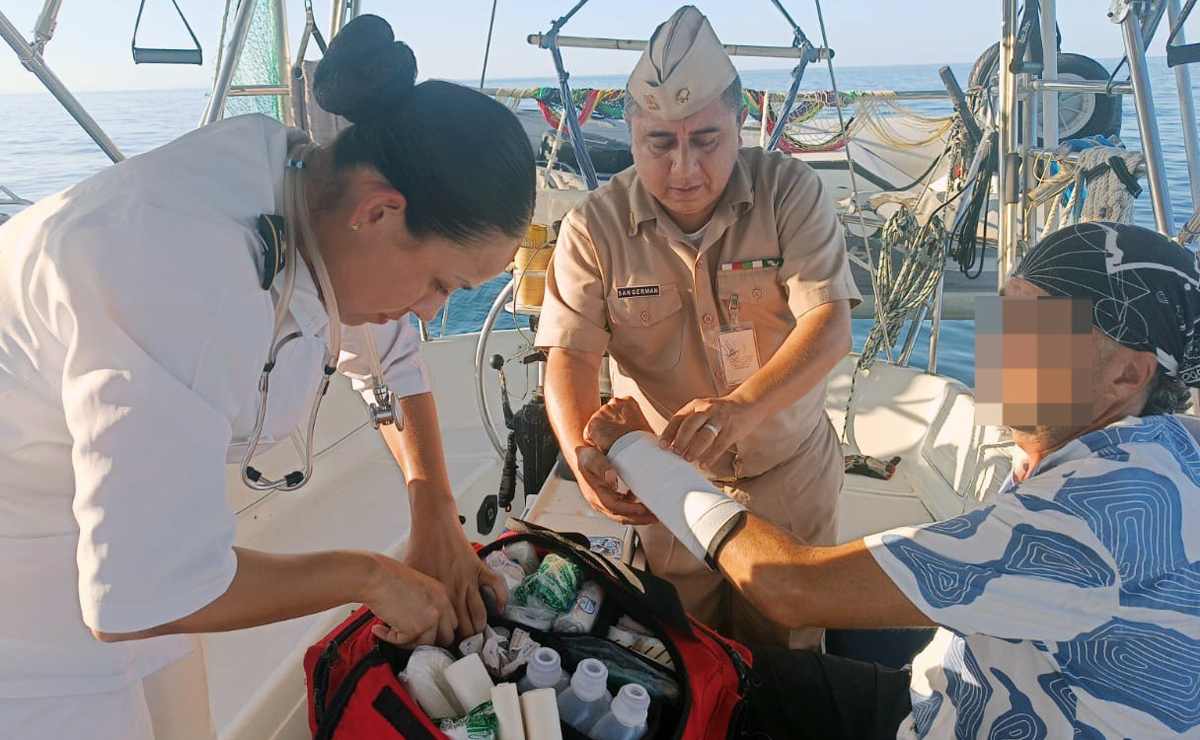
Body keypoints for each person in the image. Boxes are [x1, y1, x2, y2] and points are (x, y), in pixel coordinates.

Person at [0, 15, 534, 740]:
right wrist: (371, 577)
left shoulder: (303, 180)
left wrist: (435, 511)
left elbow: (393, 360)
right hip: (28, 584)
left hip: (126, 522)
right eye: (441, 283)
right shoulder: (186, 283)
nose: (430, 311)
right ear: (380, 209)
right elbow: (140, 593)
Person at [584, 222, 1200, 739]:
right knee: (715, 675)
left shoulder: (1096, 514)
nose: (1000, 343)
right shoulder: (1162, 449)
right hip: (952, 698)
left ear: (1128, 375)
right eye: (1006, 310)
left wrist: (638, 450)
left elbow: (788, 587)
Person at [536, 5, 859, 650]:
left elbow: (829, 324)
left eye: (706, 139)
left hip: (790, 475)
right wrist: (582, 454)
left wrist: (743, 407)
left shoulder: (790, 191)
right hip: (670, 489)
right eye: (660, 143)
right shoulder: (592, 228)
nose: (684, 169)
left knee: (788, 663)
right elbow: (569, 359)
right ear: (632, 134)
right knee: (688, 653)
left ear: (740, 125)